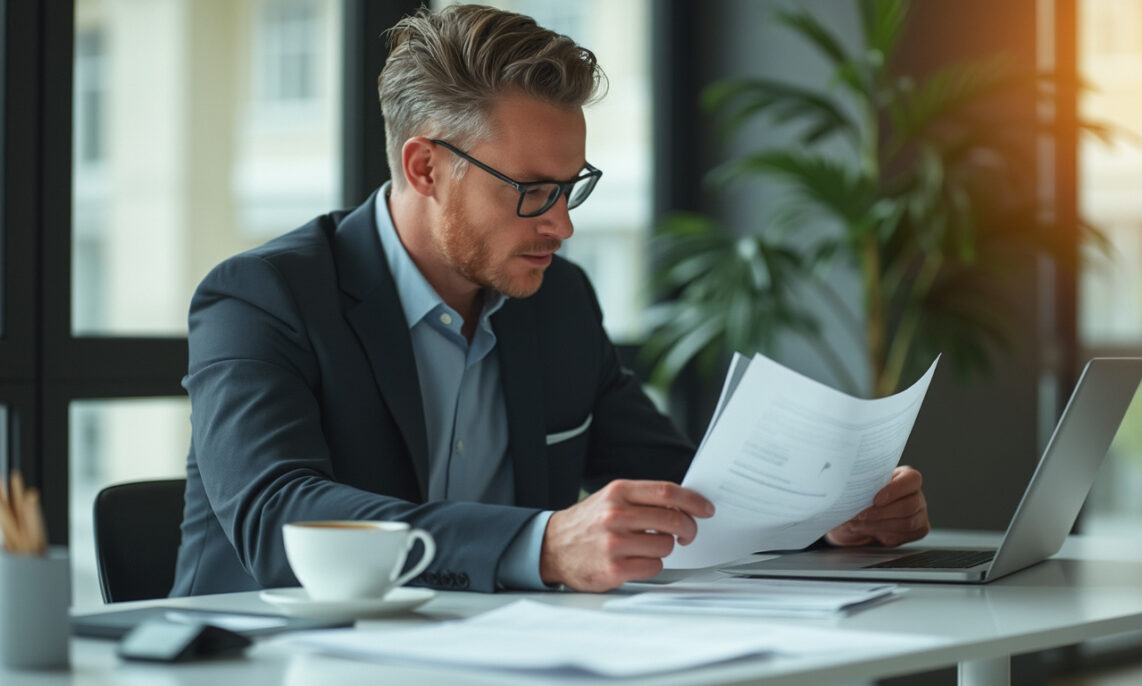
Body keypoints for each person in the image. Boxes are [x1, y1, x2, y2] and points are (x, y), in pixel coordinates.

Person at [170, 4, 929, 597]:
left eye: (570, 189)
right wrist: (537, 546)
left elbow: (687, 491)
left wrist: (829, 513)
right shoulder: (262, 298)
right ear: (426, 166)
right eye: (532, 191)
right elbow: (278, 518)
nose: (561, 224)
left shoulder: (555, 298)